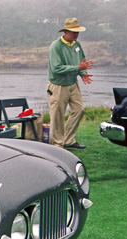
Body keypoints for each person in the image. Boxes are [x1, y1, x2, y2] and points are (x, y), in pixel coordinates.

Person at [47, 17, 93, 150]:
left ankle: (68, 139)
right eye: (74, 32)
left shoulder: (77, 45)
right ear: (66, 32)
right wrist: (78, 68)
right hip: (58, 85)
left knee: (79, 110)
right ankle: (57, 144)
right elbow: (56, 69)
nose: (76, 35)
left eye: (77, 32)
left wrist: (83, 74)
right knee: (57, 115)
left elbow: (81, 62)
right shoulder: (56, 46)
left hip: (73, 84)